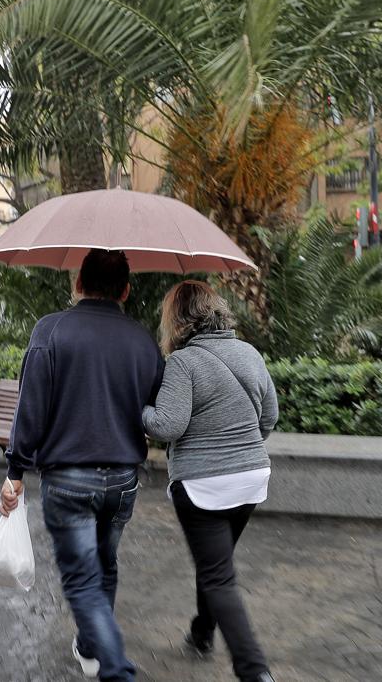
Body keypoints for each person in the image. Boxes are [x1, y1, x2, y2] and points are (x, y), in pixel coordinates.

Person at [1, 249, 164, 681]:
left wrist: (15, 471)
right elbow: (156, 408)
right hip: (124, 479)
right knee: (106, 566)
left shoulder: (51, 330)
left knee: (82, 580)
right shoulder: (143, 341)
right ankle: (91, 648)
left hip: (69, 479)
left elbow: (29, 408)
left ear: (77, 283)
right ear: (126, 290)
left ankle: (115, 668)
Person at [141, 281, 278, 682]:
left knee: (218, 574)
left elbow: (167, 426)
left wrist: (139, 410)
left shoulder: (183, 364)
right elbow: (268, 417)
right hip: (252, 479)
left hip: (204, 487)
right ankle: (202, 631)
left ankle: (254, 671)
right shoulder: (250, 354)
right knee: (215, 562)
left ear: (177, 320)